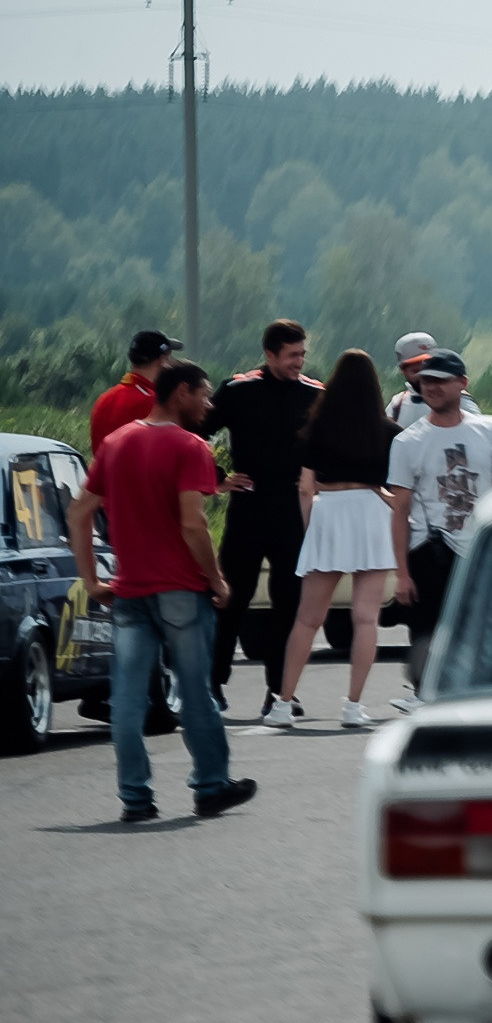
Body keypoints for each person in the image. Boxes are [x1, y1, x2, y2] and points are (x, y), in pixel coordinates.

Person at [66, 360, 257, 822]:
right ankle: (210, 786)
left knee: (128, 700)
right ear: (181, 392)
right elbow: (193, 524)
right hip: (181, 591)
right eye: (204, 395)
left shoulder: (116, 442)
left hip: (129, 592)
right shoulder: (190, 446)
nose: (208, 405)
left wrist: (91, 580)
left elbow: (78, 513)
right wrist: (216, 579)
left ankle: (135, 796)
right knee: (195, 693)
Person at [267, 350, 401, 729]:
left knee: (308, 618)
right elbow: (394, 489)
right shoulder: (390, 431)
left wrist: (312, 528)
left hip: (329, 513)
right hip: (371, 513)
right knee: (366, 617)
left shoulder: (318, 426)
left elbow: (305, 488)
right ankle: (354, 706)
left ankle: (283, 703)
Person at [205, 319, 321, 717]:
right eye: (291, 355)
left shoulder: (314, 394)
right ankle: (213, 684)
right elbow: (193, 432)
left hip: (291, 508)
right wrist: (217, 478)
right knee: (230, 598)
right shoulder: (239, 391)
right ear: (269, 354)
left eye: (302, 354)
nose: (299, 362)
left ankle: (280, 691)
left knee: (288, 603)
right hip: (248, 506)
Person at [387, 351, 492, 707]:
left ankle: (479, 692)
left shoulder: (488, 433)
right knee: (426, 629)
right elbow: (399, 510)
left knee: (481, 627)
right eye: (426, 381)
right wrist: (401, 573)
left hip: (478, 548)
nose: (431, 388)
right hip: (428, 548)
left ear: (462, 383)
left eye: (440, 381)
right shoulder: (408, 441)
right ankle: (424, 694)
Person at [91, 330, 181, 454]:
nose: (172, 363)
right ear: (162, 360)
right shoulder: (154, 404)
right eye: (170, 357)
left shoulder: (104, 399)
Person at [386, 332, 479, 429]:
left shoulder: (460, 401)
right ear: (403, 371)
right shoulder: (398, 404)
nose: (424, 377)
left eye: (430, 370)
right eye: (416, 371)